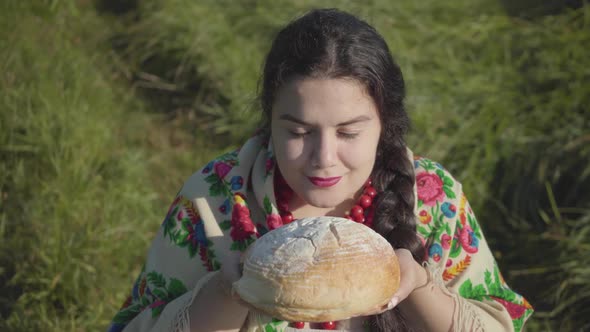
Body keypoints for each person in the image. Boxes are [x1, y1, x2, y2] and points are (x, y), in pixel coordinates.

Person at [108, 8, 533, 332]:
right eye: (298, 131)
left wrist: (420, 286)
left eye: (348, 133)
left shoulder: (435, 200)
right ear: (268, 118)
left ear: (385, 124)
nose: (323, 158)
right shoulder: (213, 200)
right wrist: (226, 291)